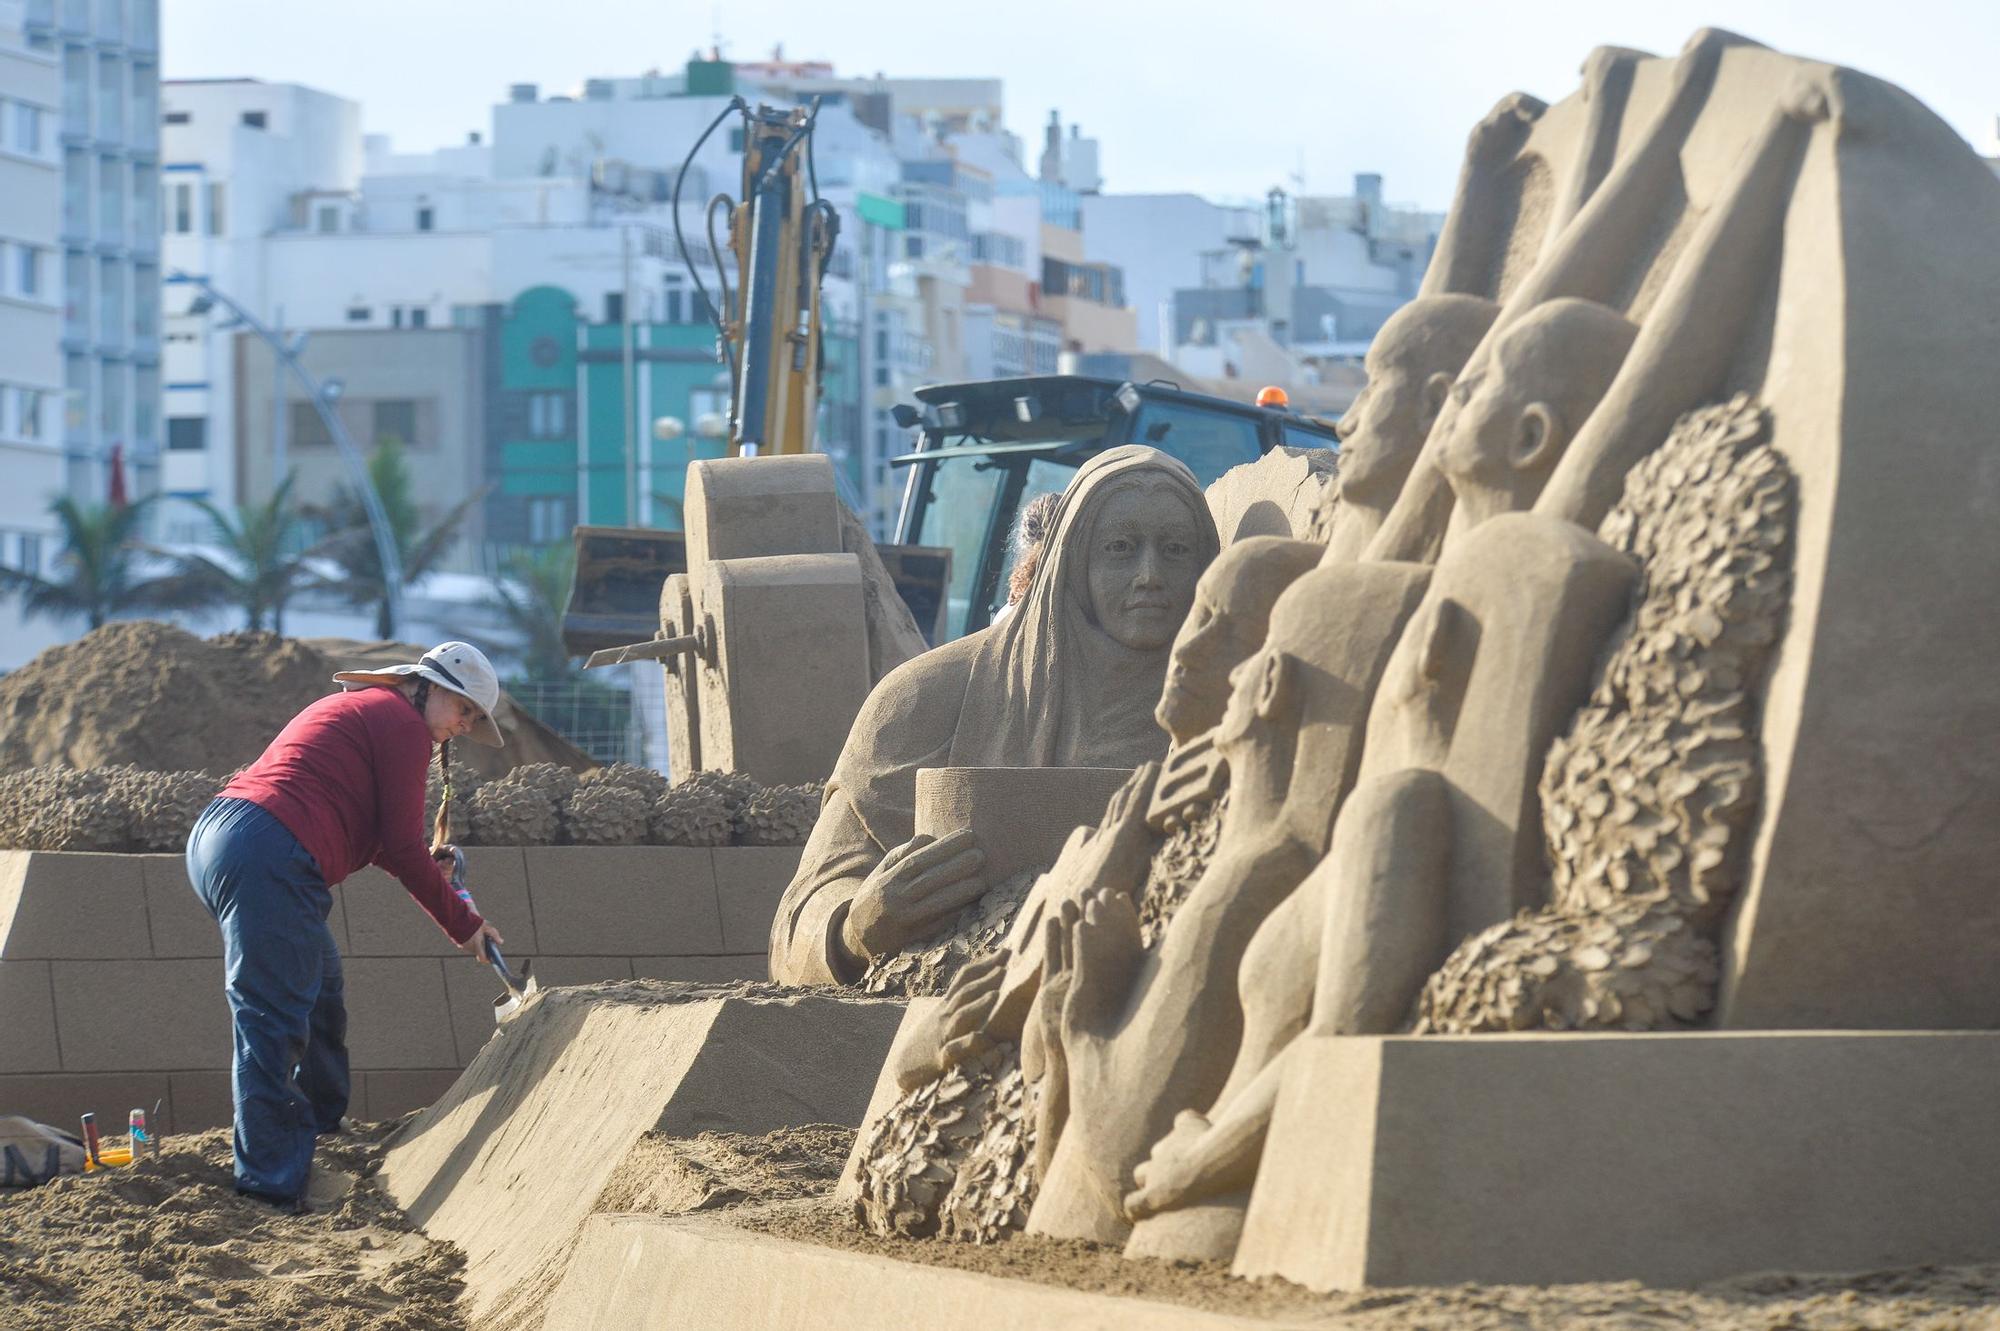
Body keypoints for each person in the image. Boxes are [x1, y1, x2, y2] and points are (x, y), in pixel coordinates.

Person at [770, 446, 1222, 985]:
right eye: (1120, 548)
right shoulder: (927, 699)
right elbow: (797, 921)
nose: (1150, 574)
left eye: (1175, 549)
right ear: (1074, 560)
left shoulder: (1234, 708)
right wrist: (855, 928)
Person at [185, 641, 510, 1211]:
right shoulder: (399, 722)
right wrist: (465, 924)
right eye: (465, 710)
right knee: (272, 1016)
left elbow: (386, 840)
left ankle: (318, 1129)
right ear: (429, 687)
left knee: (320, 990)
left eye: (475, 719)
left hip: (234, 838)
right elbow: (405, 847)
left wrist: (425, 870)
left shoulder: (371, 711)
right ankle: (270, 1184)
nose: (465, 725)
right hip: (267, 851)